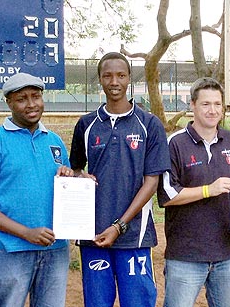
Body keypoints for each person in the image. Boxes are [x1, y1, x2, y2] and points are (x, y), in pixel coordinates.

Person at [69, 52, 171, 307]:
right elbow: (76, 170)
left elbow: (152, 182)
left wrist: (119, 226)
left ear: (129, 79)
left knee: (137, 302)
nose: (114, 81)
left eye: (121, 75)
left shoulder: (149, 124)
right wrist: (77, 175)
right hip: (93, 234)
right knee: (97, 303)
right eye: (108, 75)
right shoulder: (86, 124)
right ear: (100, 80)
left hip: (134, 236)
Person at [0, 72, 74, 307]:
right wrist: (26, 233)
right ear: (9, 103)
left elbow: (66, 185)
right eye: (22, 99)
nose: (31, 104)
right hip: (9, 251)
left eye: (36, 96)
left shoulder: (54, 141)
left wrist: (70, 176)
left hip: (54, 249)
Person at [157, 77, 230, 307]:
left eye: (217, 104)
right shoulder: (174, 143)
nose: (212, 110)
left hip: (226, 253)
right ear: (192, 105)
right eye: (206, 104)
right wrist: (209, 189)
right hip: (185, 255)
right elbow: (167, 196)